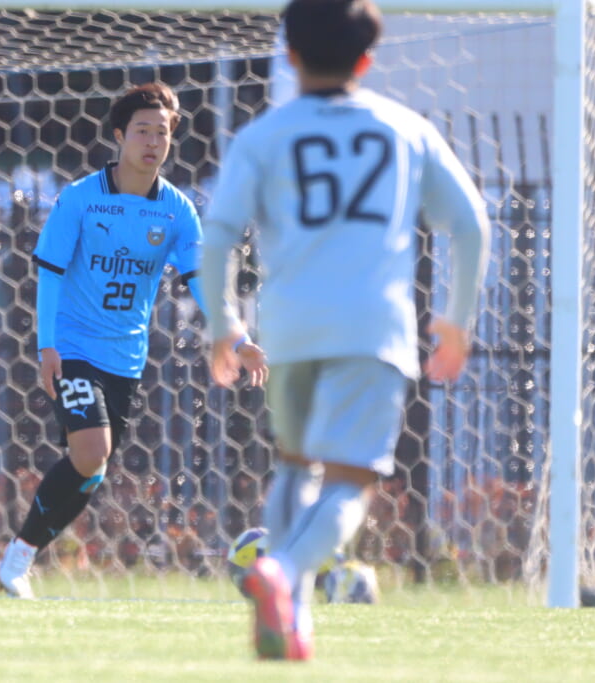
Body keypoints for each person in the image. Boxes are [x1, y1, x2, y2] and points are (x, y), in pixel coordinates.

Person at [198, 0, 489, 660]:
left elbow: (218, 235)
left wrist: (224, 322)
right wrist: (456, 318)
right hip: (370, 328)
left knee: (294, 465)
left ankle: (290, 618)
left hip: (290, 327)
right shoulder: (403, 128)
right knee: (348, 481)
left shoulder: (264, 135)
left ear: (290, 55)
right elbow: (470, 222)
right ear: (366, 60)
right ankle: (283, 572)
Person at [0, 82, 267, 599]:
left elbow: (202, 282)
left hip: (125, 358)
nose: (153, 142)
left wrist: (237, 337)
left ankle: (19, 554)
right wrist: (47, 347)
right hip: (74, 347)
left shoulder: (177, 210)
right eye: (142, 131)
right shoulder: (80, 199)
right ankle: (17, 561)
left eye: (162, 132)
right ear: (119, 136)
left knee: (92, 469)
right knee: (92, 450)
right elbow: (50, 273)